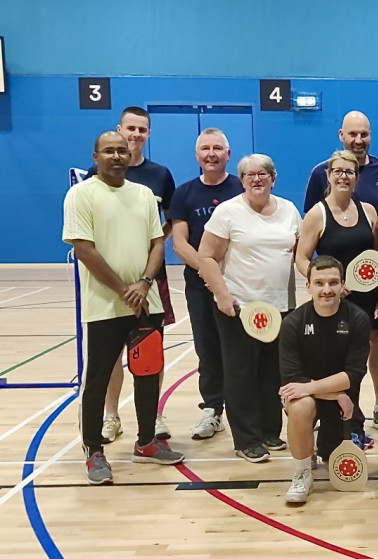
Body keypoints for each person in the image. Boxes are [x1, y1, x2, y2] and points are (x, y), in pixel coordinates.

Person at [63, 131, 185, 485]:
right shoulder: (80, 195)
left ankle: (146, 440)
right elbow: (84, 249)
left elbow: (157, 242)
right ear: (96, 155)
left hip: (146, 303)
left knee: (147, 373)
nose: (117, 156)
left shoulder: (144, 195)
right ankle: (93, 451)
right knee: (98, 378)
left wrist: (144, 283)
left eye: (122, 150)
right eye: (109, 151)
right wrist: (122, 289)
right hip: (105, 307)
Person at [198, 154, 301, 463]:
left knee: (273, 372)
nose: (257, 179)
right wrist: (222, 294)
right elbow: (206, 256)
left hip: (281, 308)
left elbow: (296, 253)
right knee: (241, 373)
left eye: (263, 174)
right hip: (240, 307)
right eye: (250, 175)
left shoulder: (289, 211)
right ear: (241, 180)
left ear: (273, 178)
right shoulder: (227, 212)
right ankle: (246, 439)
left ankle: (270, 431)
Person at [86, 107, 176, 444]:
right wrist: (125, 285)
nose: (135, 136)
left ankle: (150, 423)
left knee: (150, 357)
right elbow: (86, 245)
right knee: (108, 362)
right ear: (119, 130)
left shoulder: (158, 177)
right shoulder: (87, 188)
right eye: (130, 130)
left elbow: (165, 226)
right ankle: (110, 419)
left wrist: (147, 271)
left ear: (148, 134)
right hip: (110, 291)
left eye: (142, 130)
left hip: (151, 284)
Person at [296, 150, 378, 444]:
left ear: (357, 177)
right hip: (330, 304)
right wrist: (325, 284)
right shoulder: (317, 214)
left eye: (350, 172)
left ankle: (355, 426)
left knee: (355, 367)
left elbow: (377, 259)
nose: (344, 176)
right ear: (329, 175)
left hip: (364, 302)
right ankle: (332, 426)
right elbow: (301, 257)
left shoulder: (369, 212)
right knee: (331, 365)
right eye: (338, 171)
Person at [170, 128, 244, 440]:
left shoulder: (242, 189)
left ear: (228, 154)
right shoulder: (184, 193)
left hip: (240, 284)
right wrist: (209, 271)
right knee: (207, 348)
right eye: (205, 148)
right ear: (197, 155)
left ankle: (244, 409)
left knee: (241, 349)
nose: (211, 153)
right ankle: (212, 409)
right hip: (200, 286)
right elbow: (179, 243)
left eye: (217, 148)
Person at [279, 256, 371, 504]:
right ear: (307, 286)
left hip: (343, 403)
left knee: (336, 469)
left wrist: (323, 390)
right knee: (300, 405)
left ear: (343, 285)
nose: (327, 289)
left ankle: (316, 446)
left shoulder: (359, 319)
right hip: (327, 397)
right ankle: (302, 473)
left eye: (332, 282)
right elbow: (291, 381)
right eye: (319, 283)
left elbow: (353, 375)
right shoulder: (293, 323)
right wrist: (334, 393)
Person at [303, 110, 378, 212]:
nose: (358, 141)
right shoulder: (321, 173)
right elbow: (311, 219)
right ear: (341, 135)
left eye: (364, 134)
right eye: (353, 134)